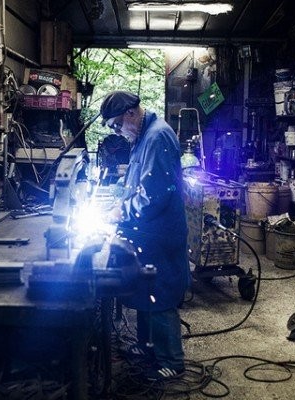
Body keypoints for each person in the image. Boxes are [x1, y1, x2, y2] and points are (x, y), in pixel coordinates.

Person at [100, 90, 190, 381]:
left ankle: (171, 362)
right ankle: (145, 346)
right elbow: (139, 181)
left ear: (130, 114)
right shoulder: (142, 136)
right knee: (144, 291)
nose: (117, 131)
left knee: (160, 295)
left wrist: (120, 213)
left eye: (116, 125)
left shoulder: (157, 137)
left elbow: (154, 195)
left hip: (160, 232)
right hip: (146, 231)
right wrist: (120, 200)